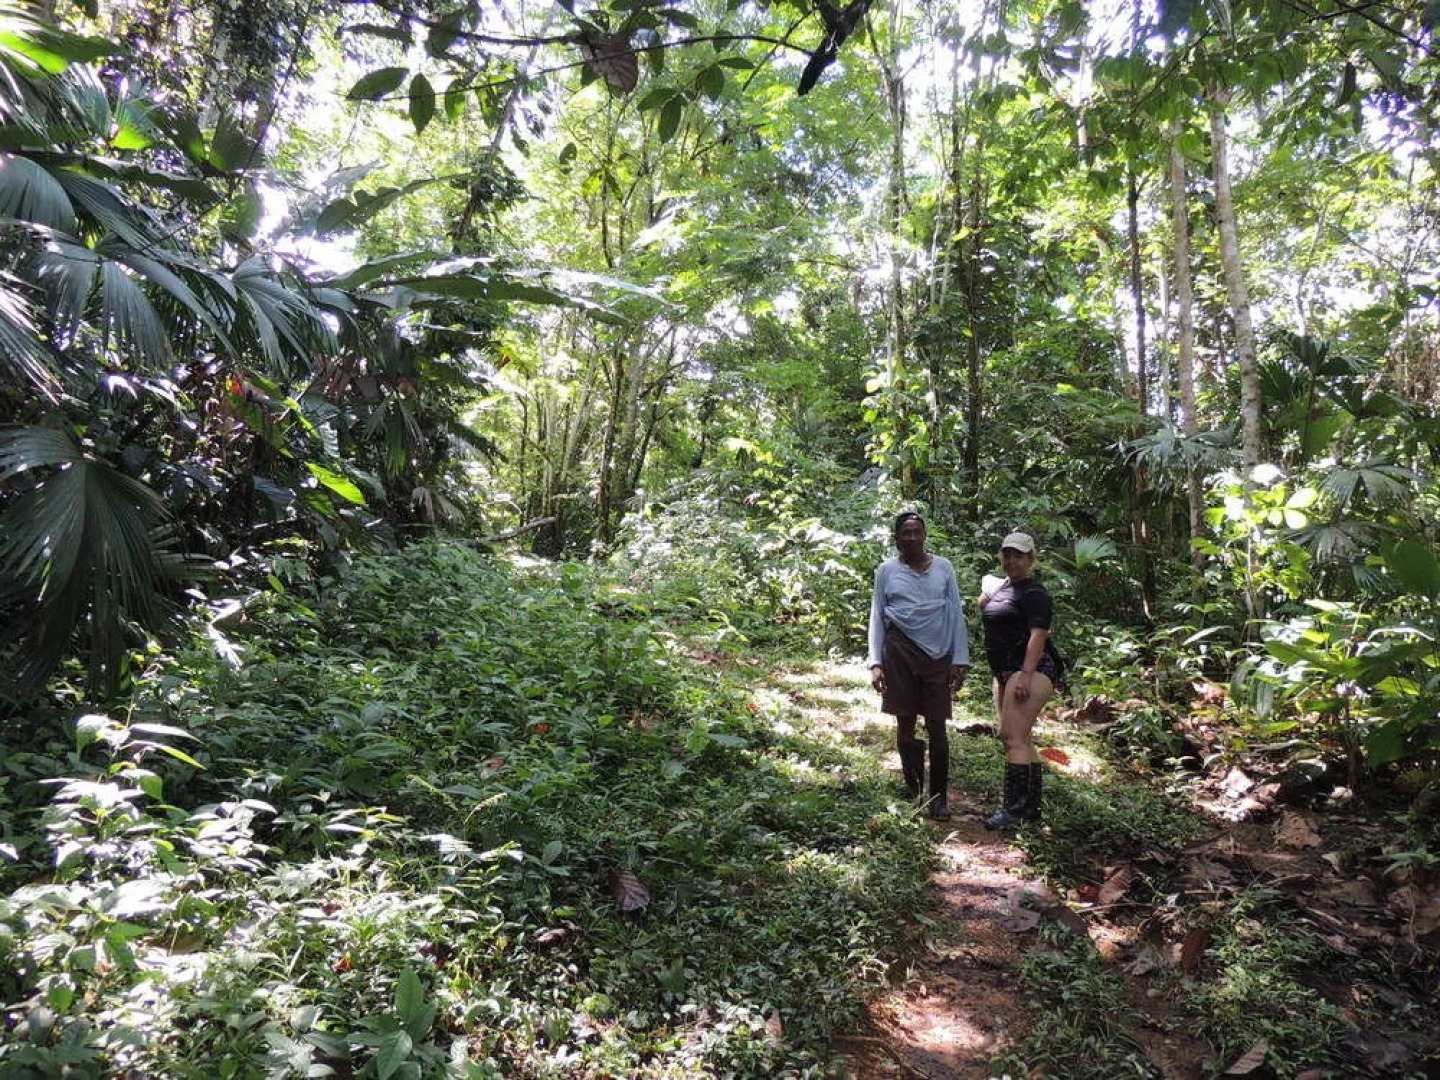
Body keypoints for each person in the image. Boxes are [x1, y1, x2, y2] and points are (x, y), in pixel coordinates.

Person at [867, 512, 970, 821]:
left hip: (938, 655)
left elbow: (955, 611)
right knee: (905, 722)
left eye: (916, 532)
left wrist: (959, 658)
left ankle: (938, 799)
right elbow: (877, 615)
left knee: (937, 725)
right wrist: (875, 662)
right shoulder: (887, 570)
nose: (910, 537)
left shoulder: (944, 568)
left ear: (925, 535)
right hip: (898, 653)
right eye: (905, 533)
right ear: (896, 538)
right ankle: (914, 792)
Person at [978, 531, 1058, 829]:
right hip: (1006, 672)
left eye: (1019, 556)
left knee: (1012, 738)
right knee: (1018, 738)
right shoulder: (1003, 587)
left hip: (1029, 671)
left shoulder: (1034, 593)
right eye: (1007, 555)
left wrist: (1025, 674)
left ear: (1030, 559)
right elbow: (985, 602)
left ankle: (1014, 811)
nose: (1012, 560)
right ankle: (1030, 811)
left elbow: (1039, 634)